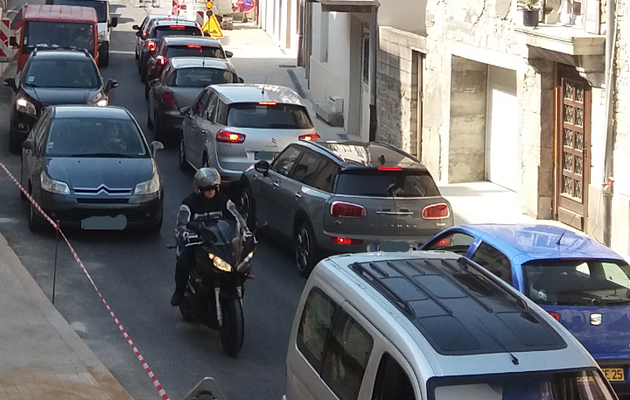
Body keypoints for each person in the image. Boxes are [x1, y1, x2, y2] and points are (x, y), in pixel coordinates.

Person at [171, 167, 248, 306]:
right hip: (198, 243)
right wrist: (187, 234)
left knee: (240, 260)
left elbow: (237, 216)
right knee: (184, 260)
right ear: (199, 189)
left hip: (219, 242)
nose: (211, 191)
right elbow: (181, 224)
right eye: (207, 188)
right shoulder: (189, 203)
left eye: (213, 187)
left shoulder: (224, 200)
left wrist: (245, 230)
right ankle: (179, 291)